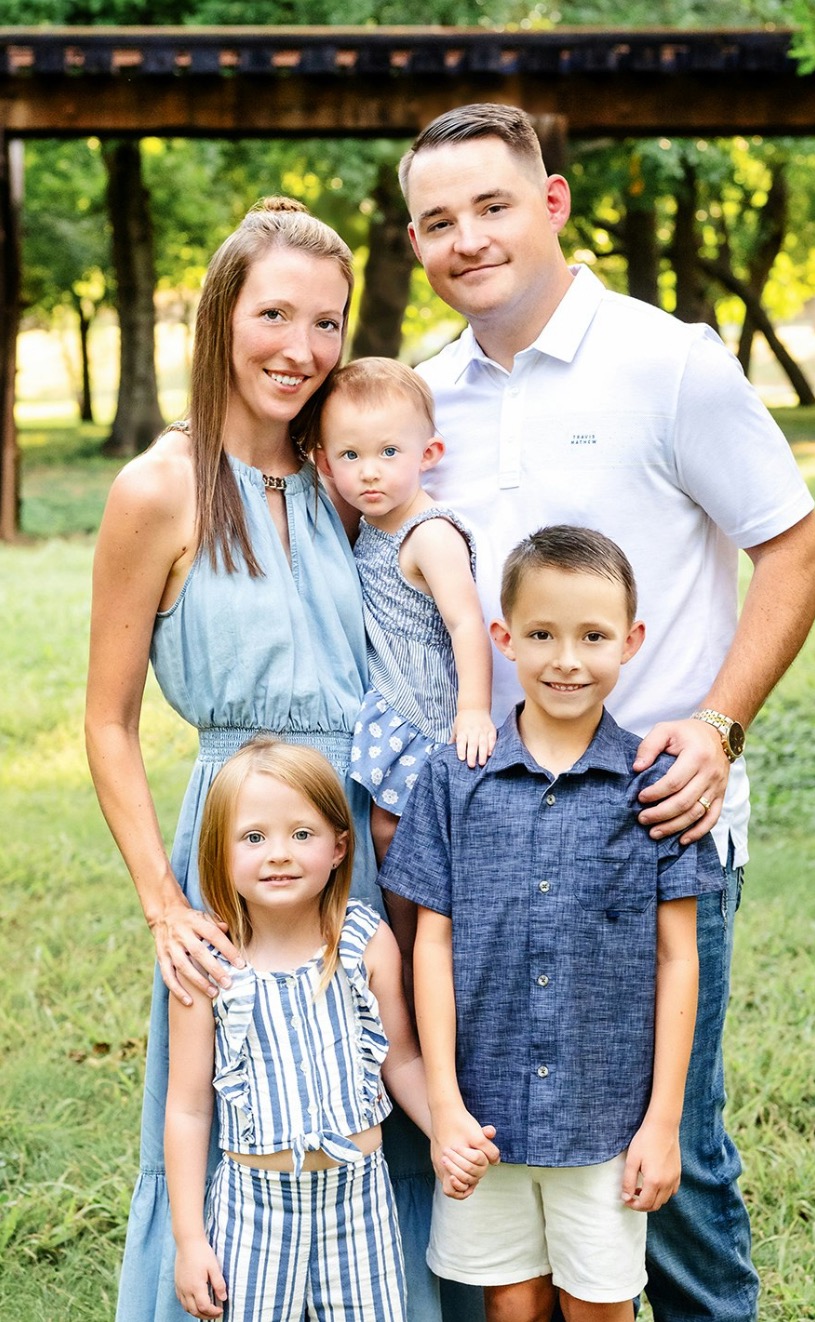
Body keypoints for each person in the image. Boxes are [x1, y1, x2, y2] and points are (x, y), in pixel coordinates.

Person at [397, 104, 815, 1321]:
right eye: (438, 220)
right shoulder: (425, 401)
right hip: (488, 833)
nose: (468, 239)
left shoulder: (669, 361)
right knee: (503, 1137)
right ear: (416, 243)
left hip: (651, 821)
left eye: (493, 205)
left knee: (667, 1151)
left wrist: (719, 724)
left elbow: (796, 549)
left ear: (552, 204)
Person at [85, 198, 454, 1322]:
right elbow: (107, 720)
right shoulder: (161, 488)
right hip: (238, 840)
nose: (303, 348)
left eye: (328, 322)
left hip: (366, 825)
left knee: (380, 1088)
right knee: (226, 1100)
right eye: (275, 315)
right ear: (221, 317)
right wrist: (164, 903)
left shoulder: (344, 478)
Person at [380, 525, 725, 1321]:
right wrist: (444, 1106)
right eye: (541, 635)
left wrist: (663, 1124)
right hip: (485, 1112)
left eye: (593, 637)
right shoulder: (452, 781)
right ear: (504, 638)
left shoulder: (657, 789)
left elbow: (679, 960)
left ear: (631, 642)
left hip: (605, 1117)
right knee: (512, 1303)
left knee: (599, 1303)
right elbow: (431, 947)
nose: (567, 659)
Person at [165, 738, 495, 1322]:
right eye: (253, 837)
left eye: (302, 834)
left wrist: (446, 1130)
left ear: (339, 847)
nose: (279, 855)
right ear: (219, 852)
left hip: (358, 1203)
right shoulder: (208, 966)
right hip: (253, 1211)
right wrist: (190, 1242)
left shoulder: (364, 940)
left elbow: (401, 1060)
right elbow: (188, 1110)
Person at [315, 356, 495, 865]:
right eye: (350, 455)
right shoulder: (373, 522)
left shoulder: (429, 533)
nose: (369, 471)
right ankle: (404, 918)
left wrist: (473, 710)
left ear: (428, 454)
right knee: (384, 828)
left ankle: (423, 920)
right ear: (326, 464)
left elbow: (465, 623)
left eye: (390, 452)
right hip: (394, 699)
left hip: (432, 711)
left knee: (401, 830)